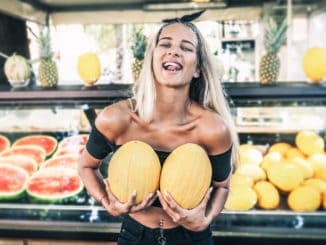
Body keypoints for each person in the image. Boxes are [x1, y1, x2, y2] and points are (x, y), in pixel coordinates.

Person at [78, 10, 239, 245]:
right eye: (165, 44)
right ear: (152, 59)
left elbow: (222, 186)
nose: (174, 51)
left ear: (197, 69)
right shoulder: (117, 118)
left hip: (192, 238)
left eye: (186, 48)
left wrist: (205, 219)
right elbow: (85, 166)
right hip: (134, 236)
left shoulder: (212, 129)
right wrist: (107, 202)